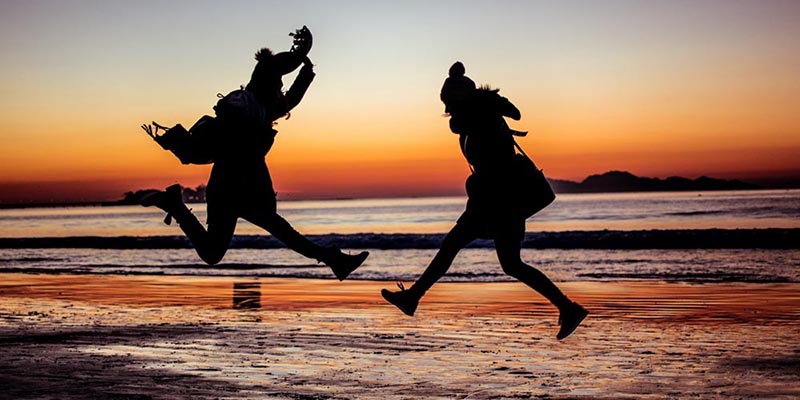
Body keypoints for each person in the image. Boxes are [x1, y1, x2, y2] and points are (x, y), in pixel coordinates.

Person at [139, 27, 368, 280]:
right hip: (229, 186)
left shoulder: (262, 109)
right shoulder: (244, 102)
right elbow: (233, 114)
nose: (281, 85)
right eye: (277, 81)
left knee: (226, 248)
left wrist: (306, 69)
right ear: (267, 82)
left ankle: (334, 259)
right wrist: (297, 59)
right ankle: (334, 259)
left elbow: (291, 99)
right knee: (267, 232)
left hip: (242, 185)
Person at [382, 62, 587, 340]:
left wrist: (487, 103)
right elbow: (492, 118)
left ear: (461, 99)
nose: (448, 111)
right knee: (509, 263)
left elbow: (510, 116)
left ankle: (414, 298)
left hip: (500, 198)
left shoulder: (480, 117)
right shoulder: (475, 117)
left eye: (449, 103)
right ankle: (567, 307)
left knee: (455, 245)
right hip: (494, 197)